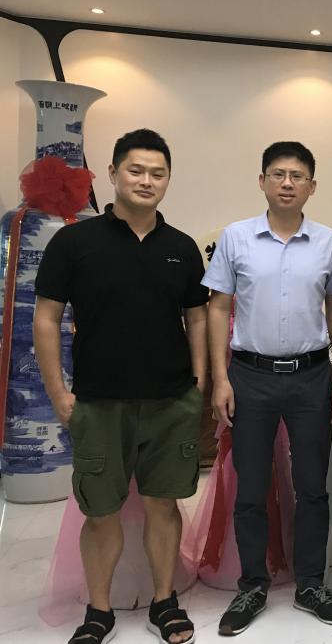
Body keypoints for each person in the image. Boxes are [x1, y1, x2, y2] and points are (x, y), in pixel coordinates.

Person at [34, 128, 208, 644]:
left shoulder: (181, 248)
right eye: (136, 170)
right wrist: (59, 394)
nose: (146, 180)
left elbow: (197, 317)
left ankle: (164, 601)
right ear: (112, 173)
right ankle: (99, 611)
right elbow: (47, 318)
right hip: (98, 402)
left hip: (170, 401)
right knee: (100, 511)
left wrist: (198, 382)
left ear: (168, 180)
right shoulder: (74, 243)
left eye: (158, 173)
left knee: (163, 506)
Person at [204, 141, 332, 635]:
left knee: (313, 487)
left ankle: (311, 584)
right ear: (262, 180)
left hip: (312, 376)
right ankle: (252, 585)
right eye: (278, 174)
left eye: (297, 176)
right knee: (250, 486)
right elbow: (218, 307)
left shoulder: (329, 241)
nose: (287, 183)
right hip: (250, 376)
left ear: (312, 185)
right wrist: (221, 378)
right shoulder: (236, 237)